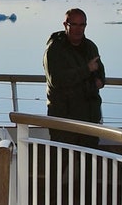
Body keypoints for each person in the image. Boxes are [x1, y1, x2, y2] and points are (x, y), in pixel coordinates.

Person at [43, 8, 105, 147]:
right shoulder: (54, 50)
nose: (78, 29)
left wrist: (100, 80)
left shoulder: (90, 47)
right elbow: (56, 80)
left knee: (90, 164)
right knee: (60, 162)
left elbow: (99, 71)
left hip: (89, 117)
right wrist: (86, 70)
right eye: (74, 24)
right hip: (64, 118)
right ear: (66, 25)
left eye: (82, 25)